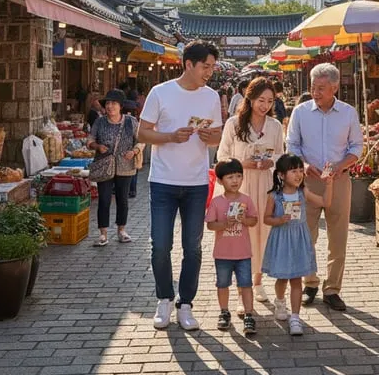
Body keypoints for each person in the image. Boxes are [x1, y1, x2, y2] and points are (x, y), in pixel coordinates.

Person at [138, 41, 223, 331]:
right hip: (163, 180)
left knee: (193, 247)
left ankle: (186, 304)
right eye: (206, 66)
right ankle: (164, 298)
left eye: (212, 67)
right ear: (189, 64)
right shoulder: (160, 92)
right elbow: (143, 133)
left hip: (197, 182)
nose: (209, 72)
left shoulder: (211, 96)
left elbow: (218, 138)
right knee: (160, 245)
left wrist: (208, 136)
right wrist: (171, 137)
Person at [286, 63, 364, 311]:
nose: (315, 92)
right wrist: (304, 164)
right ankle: (310, 283)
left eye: (321, 88)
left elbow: (356, 148)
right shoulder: (300, 112)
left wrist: (341, 166)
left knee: (338, 236)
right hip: (306, 180)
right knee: (305, 235)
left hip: (338, 181)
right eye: (313, 87)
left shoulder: (348, 113)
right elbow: (292, 144)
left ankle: (332, 289)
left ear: (335, 87)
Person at [216, 77, 284, 310]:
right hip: (240, 187)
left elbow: (281, 156)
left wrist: (270, 162)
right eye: (260, 100)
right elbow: (222, 156)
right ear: (250, 99)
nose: (264, 105)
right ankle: (240, 289)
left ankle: (257, 282)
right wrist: (241, 163)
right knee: (239, 234)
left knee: (263, 235)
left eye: (269, 101)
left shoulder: (274, 126)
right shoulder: (234, 124)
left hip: (265, 184)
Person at [262, 153, 333, 336]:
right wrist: (279, 220)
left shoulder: (303, 192)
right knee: (282, 278)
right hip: (282, 239)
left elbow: (326, 202)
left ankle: (295, 317)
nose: (299, 174)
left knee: (296, 280)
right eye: (293, 170)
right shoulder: (274, 196)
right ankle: (279, 302)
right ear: (281, 174)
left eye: (301, 170)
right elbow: (266, 219)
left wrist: (329, 184)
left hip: (299, 240)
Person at [205, 159, 259, 335]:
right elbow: (210, 225)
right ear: (220, 180)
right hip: (222, 254)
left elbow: (254, 220)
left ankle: (249, 314)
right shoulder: (217, 202)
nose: (235, 180)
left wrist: (244, 220)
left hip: (243, 253)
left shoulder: (246, 200)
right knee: (222, 284)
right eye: (230, 177)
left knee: (246, 284)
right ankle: (224, 312)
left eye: (238, 176)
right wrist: (224, 224)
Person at [87, 89, 143, 246]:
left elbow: (141, 140)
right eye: (108, 103)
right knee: (104, 199)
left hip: (126, 166)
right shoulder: (100, 122)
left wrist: (134, 151)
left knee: (122, 199)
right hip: (104, 165)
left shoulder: (131, 122)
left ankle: (121, 230)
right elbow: (90, 139)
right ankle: (103, 233)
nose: (110, 106)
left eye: (114, 103)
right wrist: (97, 146)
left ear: (121, 106)